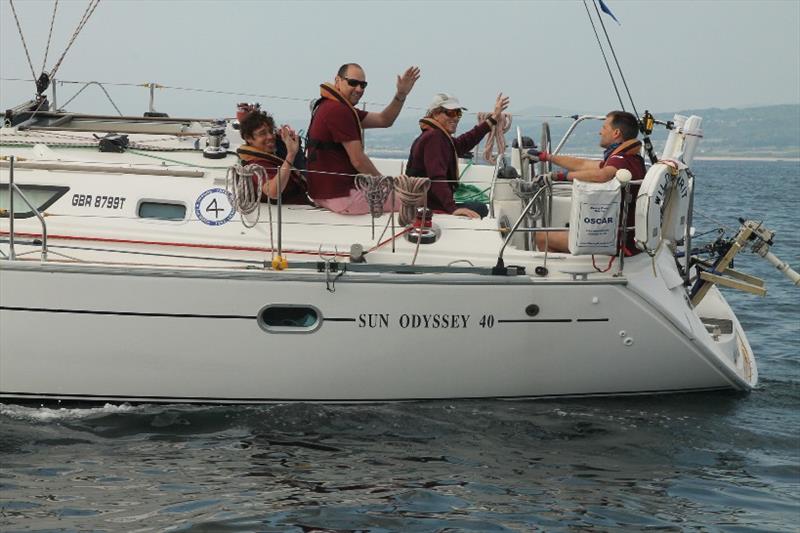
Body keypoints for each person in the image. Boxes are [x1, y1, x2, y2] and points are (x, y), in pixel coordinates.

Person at [306, 63, 420, 214]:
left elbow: (384, 120)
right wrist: (387, 184)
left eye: (363, 85)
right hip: (343, 197)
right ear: (337, 80)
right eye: (353, 83)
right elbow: (358, 160)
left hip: (322, 195)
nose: (359, 89)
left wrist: (401, 95)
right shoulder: (339, 111)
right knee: (415, 198)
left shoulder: (328, 106)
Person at [531, 110, 646, 253]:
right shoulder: (631, 159)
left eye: (604, 128)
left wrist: (559, 177)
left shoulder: (620, 160)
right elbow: (584, 165)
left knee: (542, 237)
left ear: (616, 133)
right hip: (622, 237)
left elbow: (602, 175)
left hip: (614, 241)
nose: (600, 132)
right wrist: (546, 157)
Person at [406, 92, 510, 218]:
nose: (455, 117)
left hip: (431, 202)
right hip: (429, 206)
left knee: (478, 207)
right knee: (481, 208)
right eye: (450, 112)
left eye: (458, 113)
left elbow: (463, 143)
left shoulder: (438, 136)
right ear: (435, 114)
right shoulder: (435, 138)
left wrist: (493, 119)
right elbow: (436, 177)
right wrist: (452, 209)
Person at [237, 110, 310, 205]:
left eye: (271, 131)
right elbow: (273, 192)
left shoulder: (273, 155)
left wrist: (289, 146)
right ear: (248, 138)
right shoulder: (255, 165)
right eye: (262, 133)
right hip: (287, 213)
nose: (270, 136)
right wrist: (291, 154)